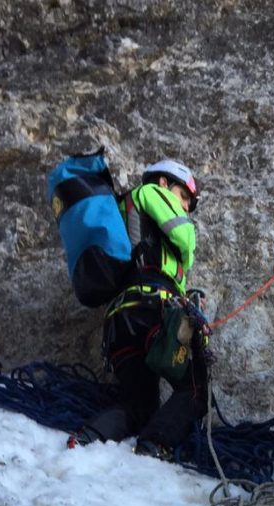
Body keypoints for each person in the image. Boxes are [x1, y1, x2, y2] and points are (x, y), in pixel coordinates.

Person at [86, 159, 209, 459]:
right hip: (151, 311)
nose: (184, 207)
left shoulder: (128, 215)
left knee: (138, 407)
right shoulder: (150, 191)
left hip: (121, 321)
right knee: (195, 388)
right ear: (165, 182)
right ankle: (153, 446)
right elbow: (184, 237)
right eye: (184, 196)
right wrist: (188, 251)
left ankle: (88, 437)